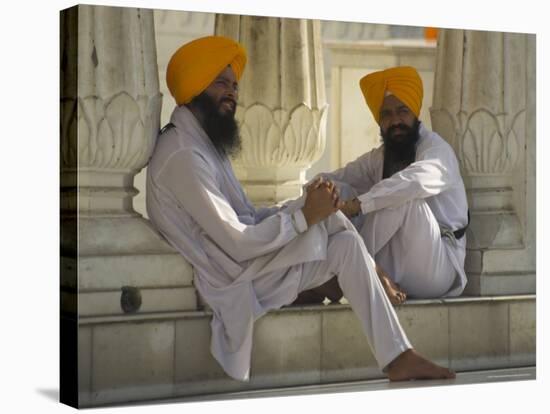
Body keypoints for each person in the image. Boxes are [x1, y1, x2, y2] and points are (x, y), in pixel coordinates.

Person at [146, 36, 455, 382]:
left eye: (234, 84)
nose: (232, 92)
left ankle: (397, 355)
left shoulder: (203, 145)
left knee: (342, 239)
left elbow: (247, 215)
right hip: (229, 276)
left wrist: (306, 207)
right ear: (194, 85)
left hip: (244, 264)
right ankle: (364, 288)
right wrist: (304, 215)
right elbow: (237, 241)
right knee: (336, 233)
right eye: (221, 83)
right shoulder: (185, 156)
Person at [315, 66, 469, 305]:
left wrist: (357, 205)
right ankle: (352, 270)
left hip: (436, 267)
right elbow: (335, 178)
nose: (395, 120)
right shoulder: (379, 157)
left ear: (415, 113)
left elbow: (413, 182)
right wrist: (315, 194)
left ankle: (345, 273)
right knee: (334, 189)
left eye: (402, 111)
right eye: (386, 114)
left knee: (401, 196)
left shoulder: (437, 151)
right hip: (393, 261)